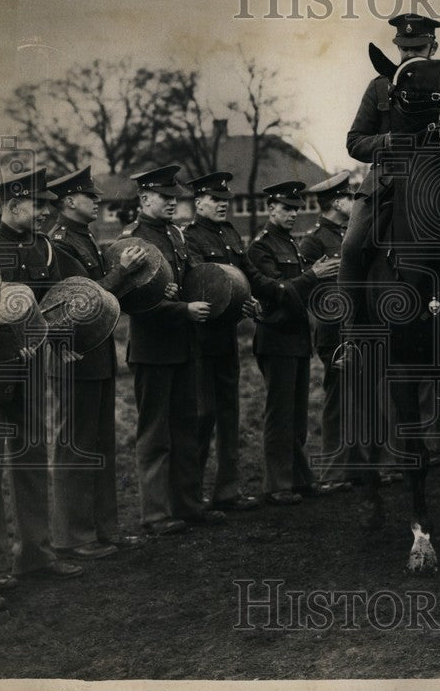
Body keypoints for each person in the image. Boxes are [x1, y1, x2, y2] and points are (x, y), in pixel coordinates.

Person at [0, 166, 85, 585]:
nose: (45, 213)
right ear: (12, 204)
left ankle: (36, 554)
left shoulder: (45, 249)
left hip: (33, 370)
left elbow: (59, 300)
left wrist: (61, 342)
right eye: (38, 205)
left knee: (31, 460)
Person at [183, 171, 302, 511]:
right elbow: (200, 281)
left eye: (225, 201)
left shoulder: (231, 235)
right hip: (201, 337)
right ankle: (193, 496)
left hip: (227, 336)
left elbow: (248, 276)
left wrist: (255, 299)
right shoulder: (189, 239)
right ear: (198, 202)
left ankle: (227, 490)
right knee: (203, 414)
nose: (222, 206)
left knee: (229, 412)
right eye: (215, 201)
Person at [46, 166, 148, 559]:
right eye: (90, 197)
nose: (97, 202)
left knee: (101, 443)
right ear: (70, 201)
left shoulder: (83, 239)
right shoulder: (61, 243)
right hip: (74, 356)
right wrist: (125, 271)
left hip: (96, 354)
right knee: (77, 447)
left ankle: (104, 529)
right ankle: (74, 535)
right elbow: (84, 300)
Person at [119, 165, 223, 534]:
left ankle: (189, 504)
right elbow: (134, 302)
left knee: (186, 427)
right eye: (164, 197)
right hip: (152, 349)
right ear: (145, 199)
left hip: (183, 346)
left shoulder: (177, 238)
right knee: (154, 432)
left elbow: (193, 280)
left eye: (173, 197)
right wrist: (183, 309)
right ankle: (156, 513)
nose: (172, 202)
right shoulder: (131, 242)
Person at [339, 13, 440, 338]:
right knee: (351, 247)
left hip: (437, 180)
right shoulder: (379, 87)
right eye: (405, 49)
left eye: (419, 48)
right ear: (397, 47)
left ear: (433, 46)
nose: (411, 56)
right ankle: (354, 334)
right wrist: (387, 142)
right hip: (385, 182)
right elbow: (354, 142)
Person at [247, 180, 341, 504]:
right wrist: (314, 276)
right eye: (285, 208)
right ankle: (277, 484)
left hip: (297, 338)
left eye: (295, 209)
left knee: (297, 415)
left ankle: (299, 477)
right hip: (275, 338)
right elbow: (278, 291)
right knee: (279, 413)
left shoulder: (289, 242)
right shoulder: (260, 247)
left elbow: (297, 291)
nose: (292, 214)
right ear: (270, 208)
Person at [297, 171, 363, 491]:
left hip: (360, 330)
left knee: (362, 398)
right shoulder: (313, 241)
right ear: (336, 201)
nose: (353, 201)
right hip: (335, 334)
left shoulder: (353, 232)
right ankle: (334, 473)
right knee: (337, 400)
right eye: (349, 196)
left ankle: (360, 467)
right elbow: (311, 294)